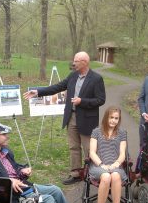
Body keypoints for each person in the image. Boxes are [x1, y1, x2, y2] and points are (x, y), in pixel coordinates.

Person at [24, 52, 106, 185]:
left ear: (85, 62)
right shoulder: (73, 76)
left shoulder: (96, 79)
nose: (73, 63)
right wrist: (38, 92)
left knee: (89, 149)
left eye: (76, 61)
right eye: (74, 61)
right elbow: (57, 87)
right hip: (71, 116)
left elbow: (101, 100)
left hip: (87, 119)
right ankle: (76, 174)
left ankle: (94, 174)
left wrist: (82, 101)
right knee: (74, 147)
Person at [88, 106, 127, 203]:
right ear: (106, 117)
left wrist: (115, 164)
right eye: (111, 117)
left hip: (115, 165)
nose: (113, 120)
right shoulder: (96, 131)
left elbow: (122, 154)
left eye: (116, 118)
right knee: (105, 176)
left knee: (115, 175)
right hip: (98, 165)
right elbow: (92, 152)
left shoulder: (122, 133)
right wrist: (101, 165)